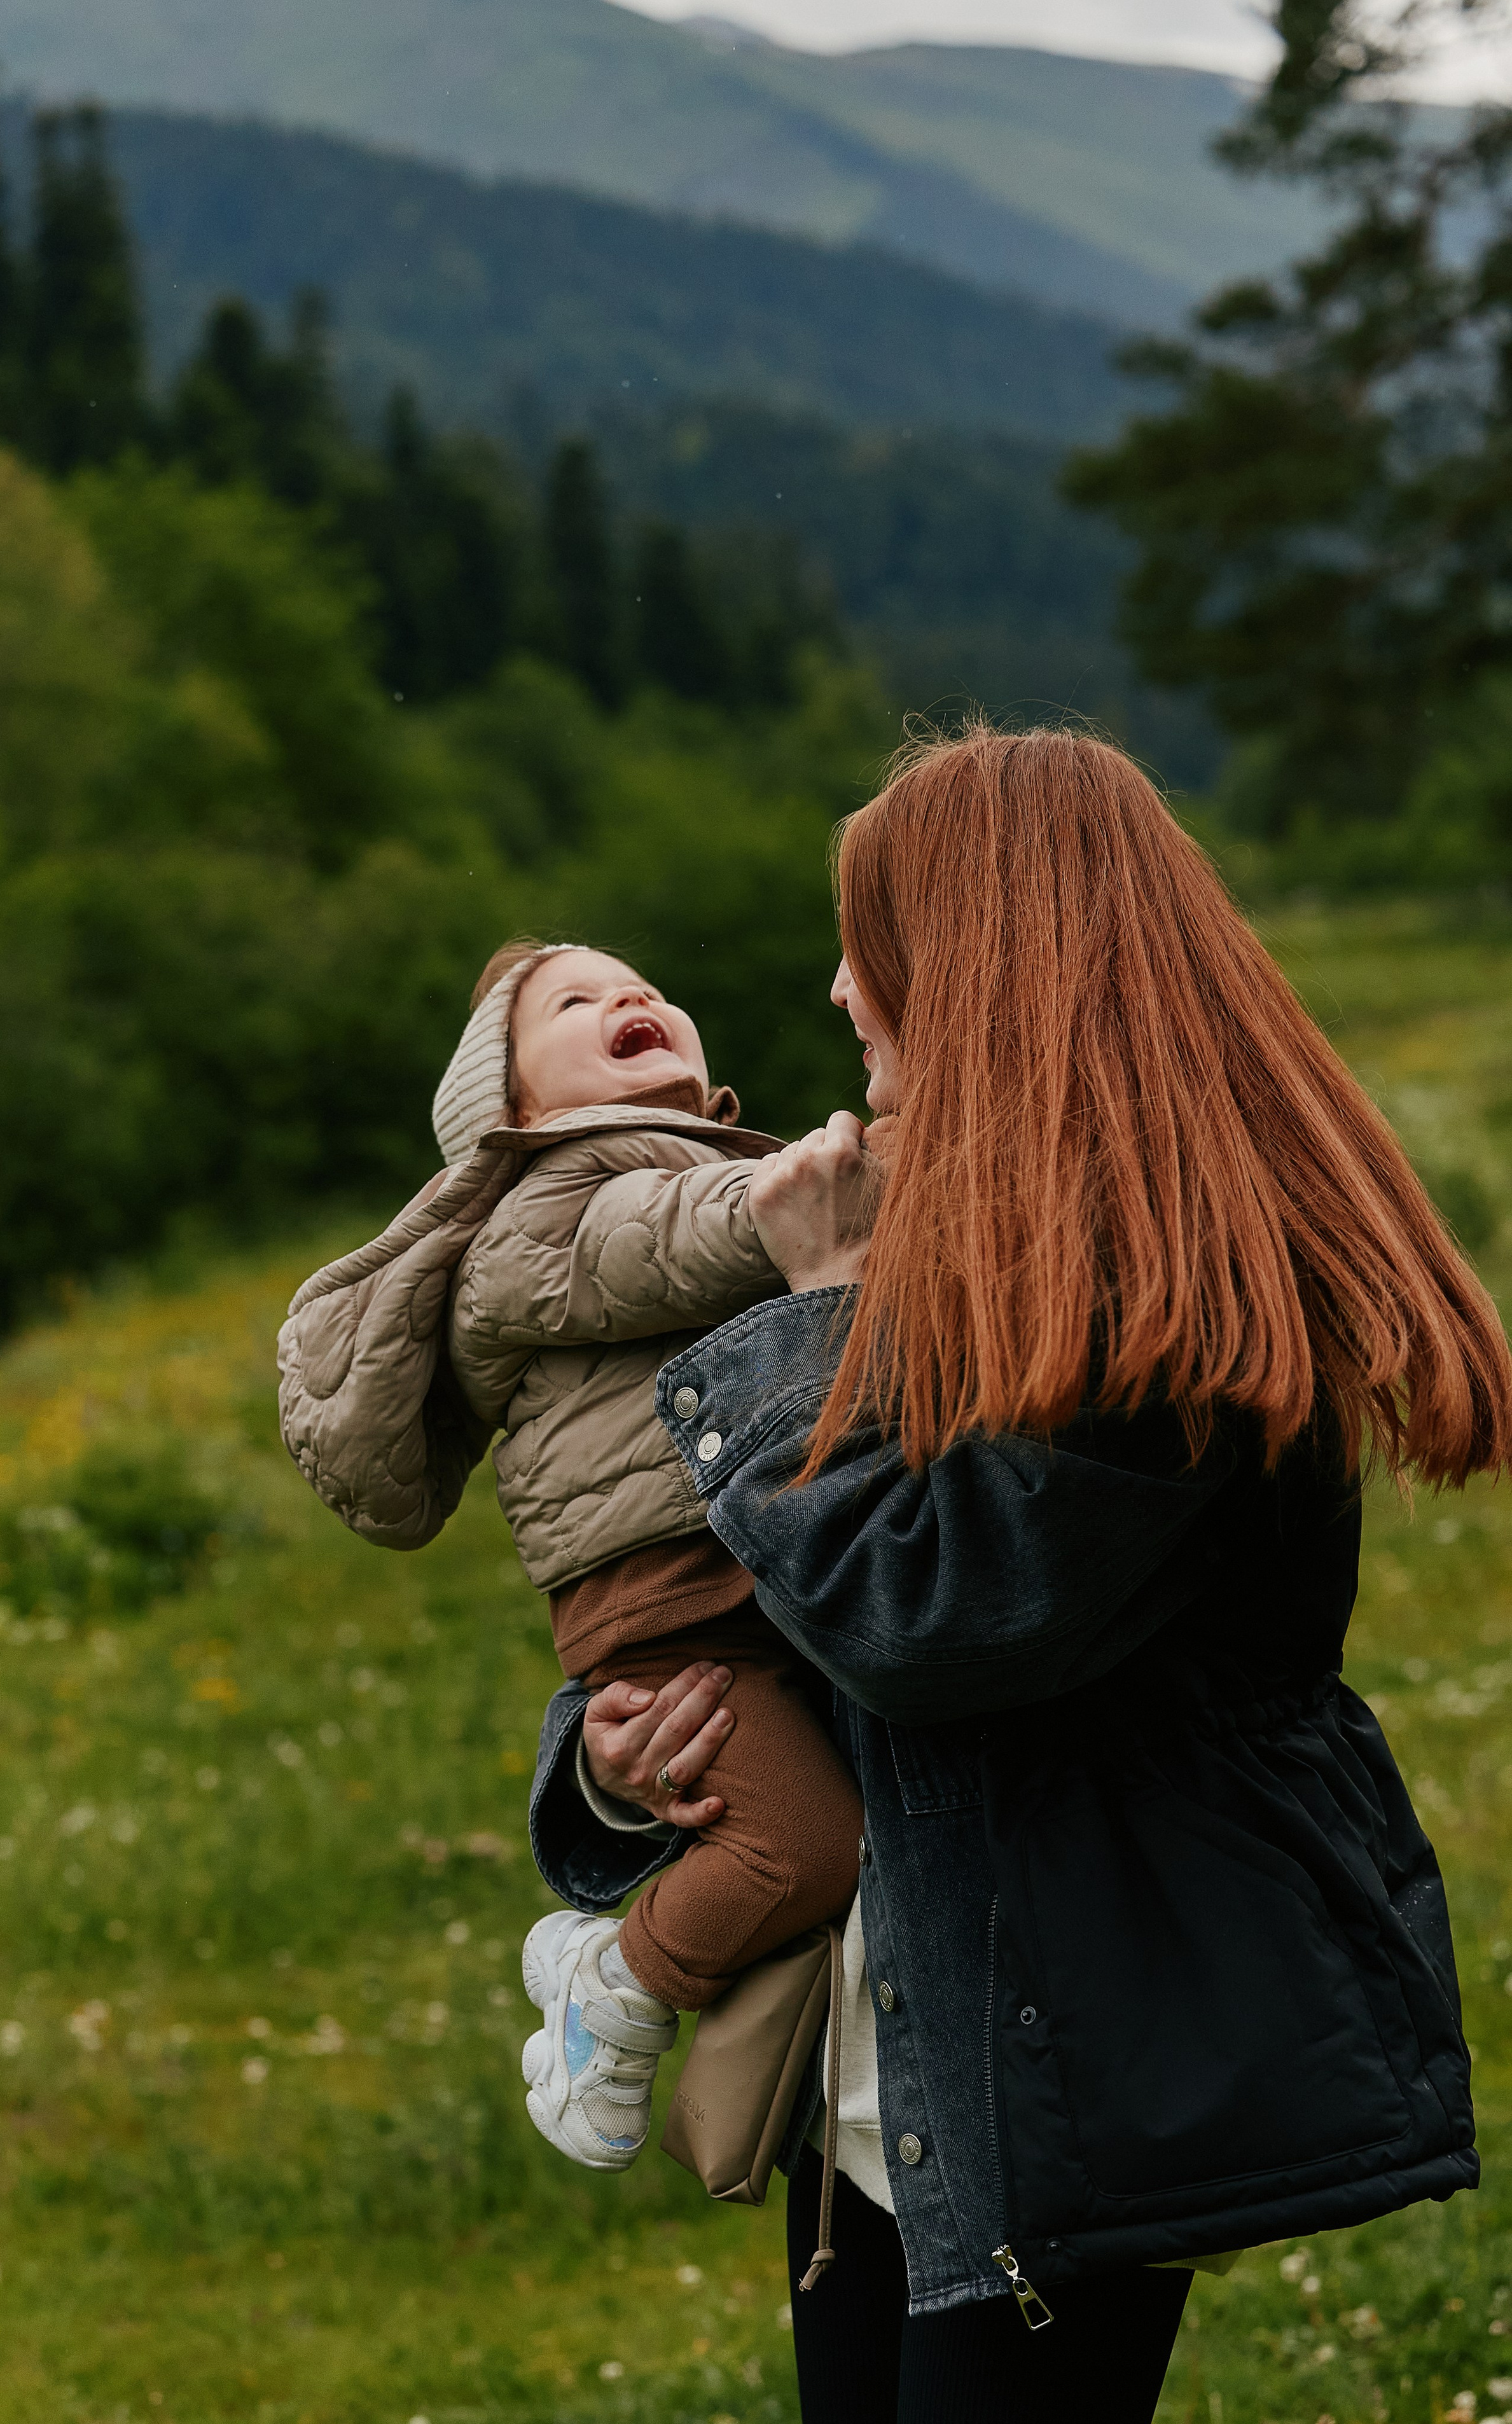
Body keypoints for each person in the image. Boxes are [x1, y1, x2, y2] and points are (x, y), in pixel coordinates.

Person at [527, 724, 1512, 2424]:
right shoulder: (998, 1244)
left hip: (1064, 2070)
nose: (838, 989)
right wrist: (615, 1764)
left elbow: (923, 1616)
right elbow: (792, 1621)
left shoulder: (1164, 1300)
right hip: (909, 2064)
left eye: (870, 944)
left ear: (972, 968)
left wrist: (821, 1316)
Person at [278, 937, 861, 2175]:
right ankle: (616, 1977)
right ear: (515, 1112)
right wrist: (855, 1178)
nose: (630, 999)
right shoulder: (550, 1209)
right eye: (577, 1003)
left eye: (641, 985)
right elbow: (681, 1234)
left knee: (815, 1825)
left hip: (732, 1582)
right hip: (671, 1609)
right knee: (802, 1842)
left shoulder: (679, 1165)